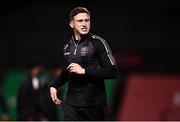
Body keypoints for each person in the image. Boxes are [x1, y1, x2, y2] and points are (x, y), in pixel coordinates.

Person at [49, 7, 118, 121]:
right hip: (72, 105)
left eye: (87, 20)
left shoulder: (98, 43)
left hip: (94, 105)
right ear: (72, 24)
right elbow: (68, 70)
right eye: (80, 21)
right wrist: (54, 85)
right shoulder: (66, 45)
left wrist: (85, 71)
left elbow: (113, 72)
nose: (84, 24)